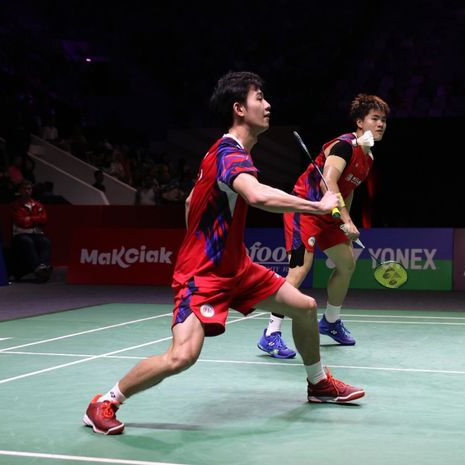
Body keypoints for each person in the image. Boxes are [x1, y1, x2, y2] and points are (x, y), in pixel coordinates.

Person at [83, 71, 364, 436]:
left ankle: (318, 384)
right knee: (181, 357)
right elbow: (259, 196)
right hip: (203, 274)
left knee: (306, 308)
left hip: (237, 267)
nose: (268, 105)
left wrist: (215, 239)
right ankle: (105, 402)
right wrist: (319, 206)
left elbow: (190, 202)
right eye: (259, 98)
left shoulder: (227, 153)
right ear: (238, 108)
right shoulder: (229, 154)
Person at [257, 94, 390, 358]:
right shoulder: (344, 146)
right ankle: (270, 334)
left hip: (330, 212)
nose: (381, 124)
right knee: (298, 270)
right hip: (305, 208)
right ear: (359, 122)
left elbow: (347, 189)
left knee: (347, 264)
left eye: (384, 120)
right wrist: (349, 220)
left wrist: (343, 221)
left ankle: (330, 321)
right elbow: (326, 182)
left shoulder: (368, 157)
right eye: (375, 119)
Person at [11, 180, 53, 282]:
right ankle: (38, 269)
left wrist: (30, 219)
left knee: (45, 242)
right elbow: (21, 222)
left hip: (36, 233)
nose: (27, 191)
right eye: (24, 189)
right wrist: (36, 219)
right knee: (27, 242)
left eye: (29, 189)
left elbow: (44, 220)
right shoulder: (15, 205)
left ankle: (42, 267)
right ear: (20, 191)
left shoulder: (38, 205)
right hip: (21, 234)